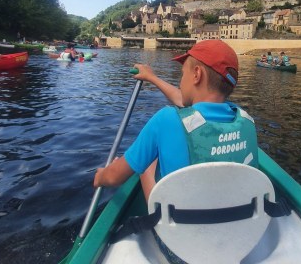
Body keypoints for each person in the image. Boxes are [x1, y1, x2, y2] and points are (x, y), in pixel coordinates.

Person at [93, 40, 259, 204]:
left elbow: (114, 177)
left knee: (149, 158)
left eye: (182, 74)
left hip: (178, 229)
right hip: (240, 225)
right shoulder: (245, 120)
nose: (181, 81)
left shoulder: (165, 119)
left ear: (196, 74)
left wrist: (101, 175)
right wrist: (152, 77)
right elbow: (183, 99)